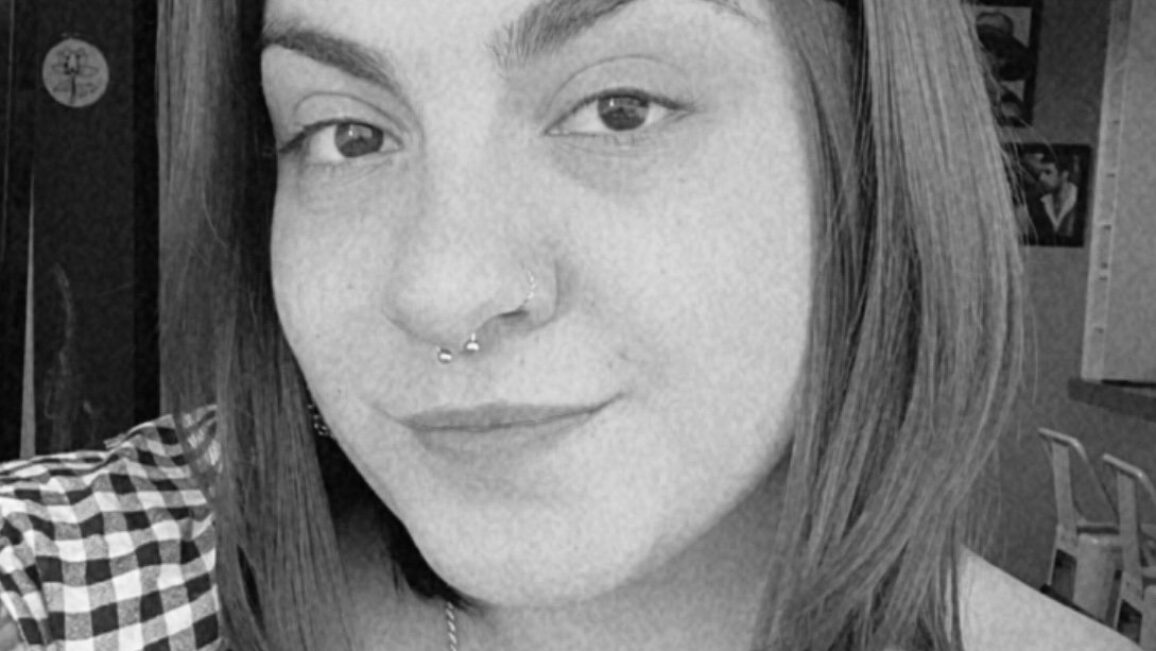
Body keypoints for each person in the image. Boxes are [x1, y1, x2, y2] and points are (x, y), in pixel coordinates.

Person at [0, 0, 1141, 649]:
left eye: (619, 108)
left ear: (876, 151)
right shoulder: (70, 588)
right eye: (347, 133)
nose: (441, 288)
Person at [1023, 150, 1081, 245]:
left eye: (1048, 172)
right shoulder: (1039, 202)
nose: (1042, 178)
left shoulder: (1080, 201)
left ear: (1064, 175)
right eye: (1041, 173)